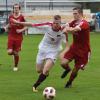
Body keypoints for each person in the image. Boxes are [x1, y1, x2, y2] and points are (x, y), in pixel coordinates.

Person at [11, 15, 69, 92]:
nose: (55, 25)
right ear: (52, 22)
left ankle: (35, 85)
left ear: (60, 23)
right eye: (54, 23)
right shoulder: (47, 26)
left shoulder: (63, 32)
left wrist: (63, 53)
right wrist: (18, 22)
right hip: (43, 49)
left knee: (46, 69)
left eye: (57, 23)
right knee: (39, 70)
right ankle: (45, 74)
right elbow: (31, 24)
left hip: (53, 51)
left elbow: (67, 45)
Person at [60, 7, 91, 88]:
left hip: (83, 50)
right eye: (73, 13)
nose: (74, 15)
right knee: (63, 63)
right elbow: (65, 26)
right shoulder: (73, 22)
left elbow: (74, 30)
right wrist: (64, 27)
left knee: (76, 69)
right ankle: (67, 69)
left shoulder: (84, 23)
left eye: (75, 13)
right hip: (74, 47)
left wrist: (68, 29)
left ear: (80, 14)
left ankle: (69, 82)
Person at [7, 4, 26, 71]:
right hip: (11, 36)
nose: (16, 9)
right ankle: (14, 53)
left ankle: (15, 66)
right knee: (9, 52)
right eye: (15, 8)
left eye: (17, 8)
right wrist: (7, 27)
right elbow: (9, 24)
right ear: (13, 9)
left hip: (19, 37)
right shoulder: (11, 16)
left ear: (19, 9)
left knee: (16, 53)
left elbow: (27, 26)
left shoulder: (22, 17)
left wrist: (21, 30)